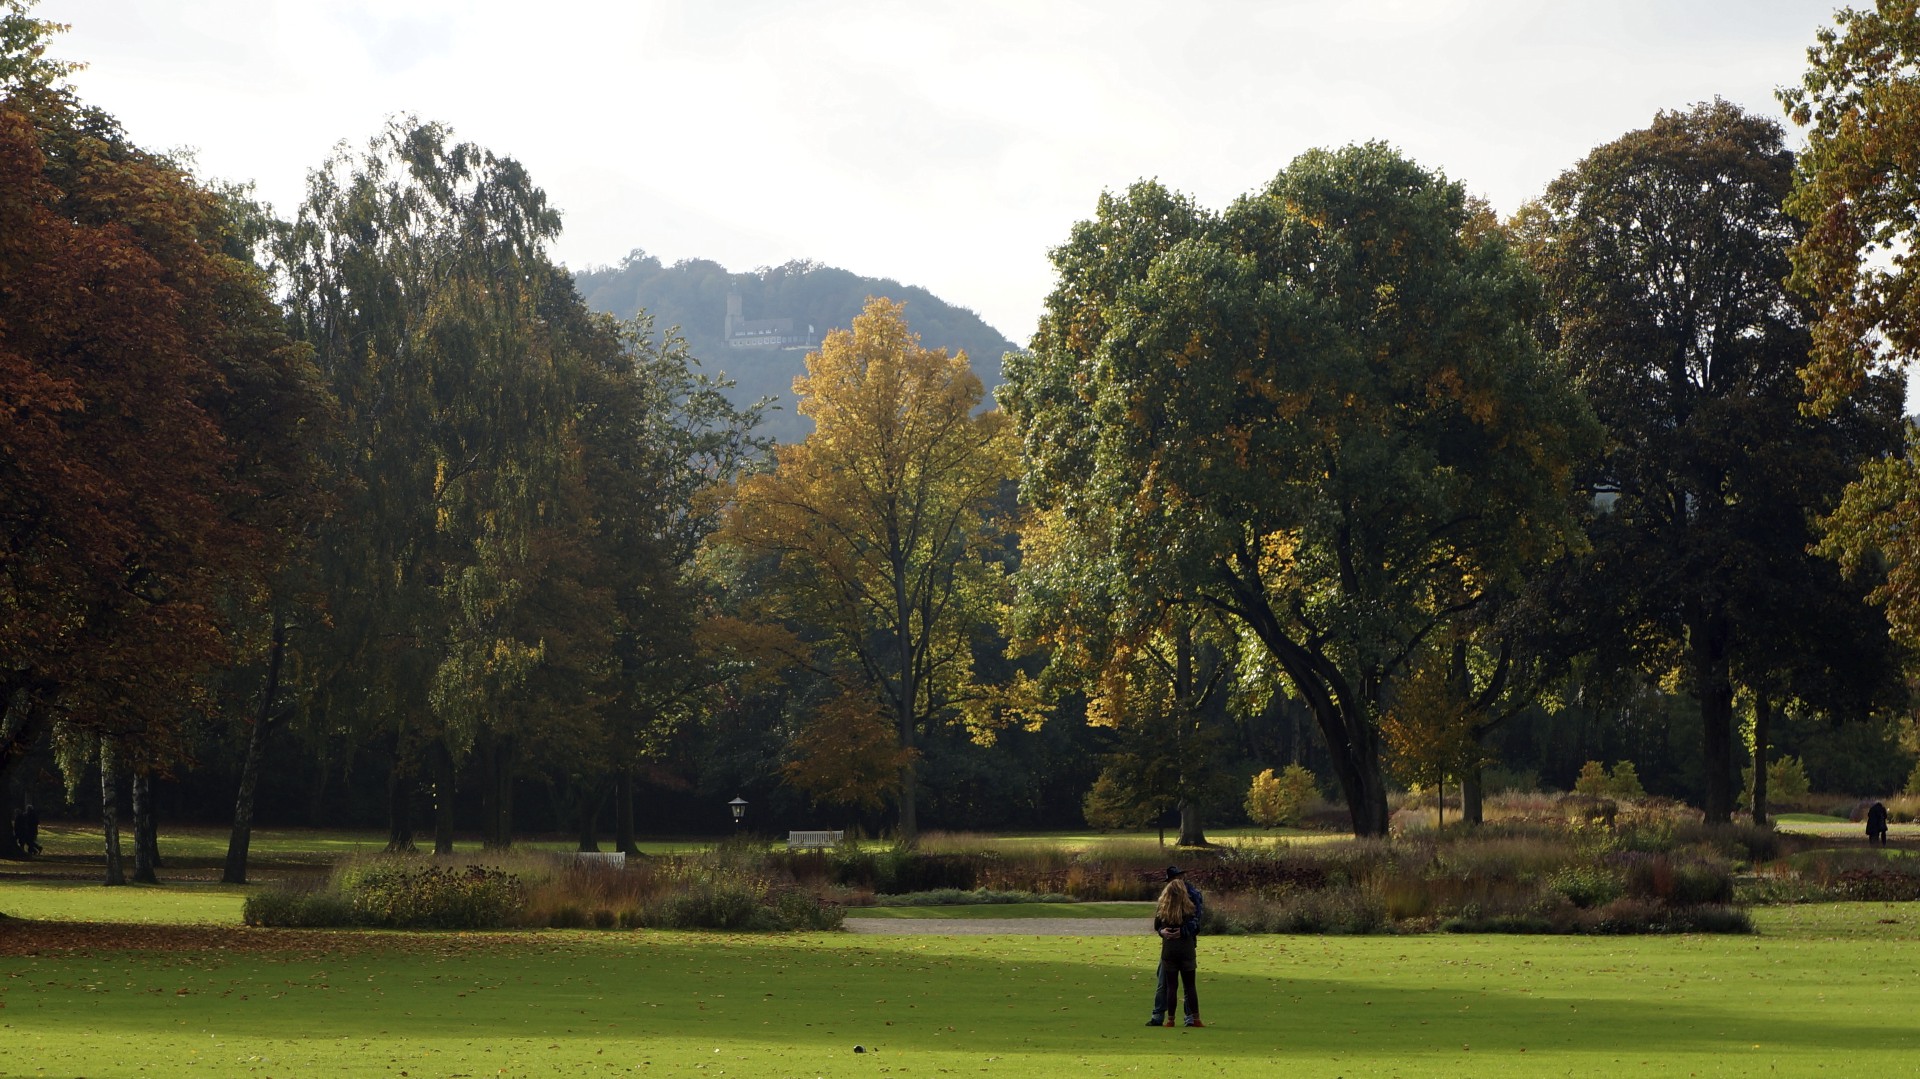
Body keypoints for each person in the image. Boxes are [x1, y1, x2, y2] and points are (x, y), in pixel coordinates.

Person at [1146, 865, 1203, 1028]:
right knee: (1188, 985)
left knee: (1167, 983)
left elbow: (1158, 924)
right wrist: (1182, 932)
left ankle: (1165, 1017)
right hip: (1186, 945)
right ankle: (1192, 1018)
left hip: (1169, 947)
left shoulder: (1165, 901)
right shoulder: (1191, 898)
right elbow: (1196, 923)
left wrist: (1163, 932)